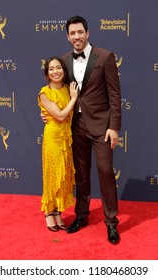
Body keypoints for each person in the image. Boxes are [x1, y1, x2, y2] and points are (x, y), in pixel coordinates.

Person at [42, 15, 121, 244]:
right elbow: (57, 91)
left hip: (101, 127)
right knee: (81, 175)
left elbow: (115, 95)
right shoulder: (64, 60)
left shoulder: (105, 57)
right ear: (68, 37)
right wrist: (46, 111)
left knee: (106, 172)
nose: (76, 36)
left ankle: (111, 223)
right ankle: (82, 215)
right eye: (72, 33)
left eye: (80, 32)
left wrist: (114, 126)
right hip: (75, 128)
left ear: (88, 33)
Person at [38, 56, 78, 232]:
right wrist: (74, 99)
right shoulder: (44, 93)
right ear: (47, 73)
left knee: (64, 176)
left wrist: (72, 96)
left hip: (66, 138)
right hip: (53, 138)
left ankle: (58, 212)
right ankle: (49, 212)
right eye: (52, 69)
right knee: (53, 175)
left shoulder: (67, 89)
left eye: (59, 68)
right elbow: (60, 116)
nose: (56, 71)